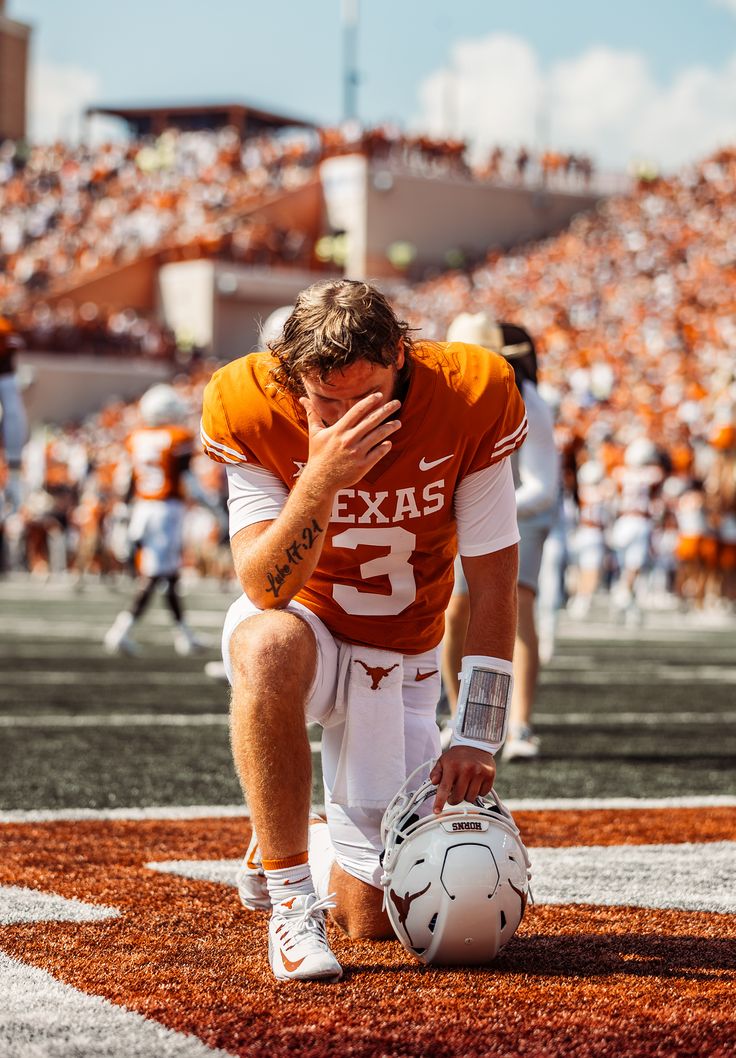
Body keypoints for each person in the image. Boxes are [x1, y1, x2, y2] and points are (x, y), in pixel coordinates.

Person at [200, 279, 527, 982]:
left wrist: (477, 731)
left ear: (402, 359)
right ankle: (290, 905)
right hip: (309, 627)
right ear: (291, 380)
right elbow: (263, 587)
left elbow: (494, 585)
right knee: (267, 643)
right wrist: (320, 479)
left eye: (368, 396)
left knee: (375, 920)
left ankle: (287, 834)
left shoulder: (470, 397)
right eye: (329, 402)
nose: (350, 417)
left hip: (401, 652)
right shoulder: (250, 403)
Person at [440, 313, 559, 761]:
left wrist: (477, 511)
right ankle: (459, 717)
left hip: (520, 512)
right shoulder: (443, 395)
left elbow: (541, 489)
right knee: (453, 612)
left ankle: (521, 725)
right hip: (467, 512)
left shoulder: (528, 399)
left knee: (517, 606)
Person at [104, 383, 208, 657]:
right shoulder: (177, 437)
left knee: (170, 575)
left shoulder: (136, 437)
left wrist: (124, 511)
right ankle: (120, 631)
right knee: (154, 575)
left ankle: (184, 635)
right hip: (165, 511)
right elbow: (187, 478)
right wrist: (211, 504)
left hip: (142, 508)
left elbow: (128, 480)